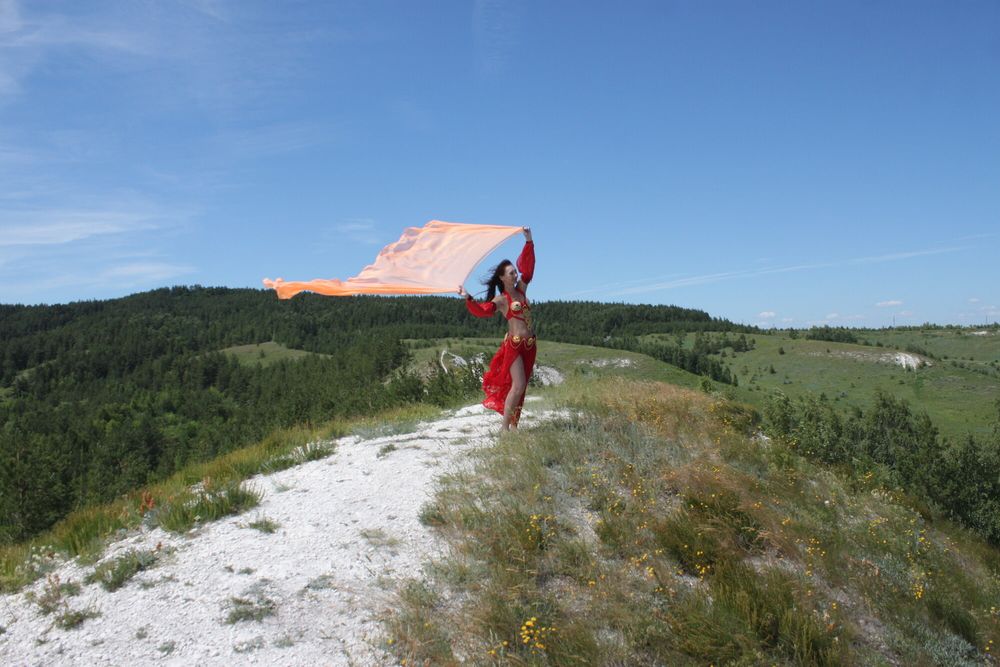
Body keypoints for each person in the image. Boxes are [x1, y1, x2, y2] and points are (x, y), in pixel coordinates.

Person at [458, 227, 535, 430]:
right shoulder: (501, 300)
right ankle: (504, 429)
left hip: (530, 345)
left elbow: (528, 268)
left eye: (515, 272)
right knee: (517, 385)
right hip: (515, 346)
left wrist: (528, 241)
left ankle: (514, 425)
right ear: (502, 277)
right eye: (511, 273)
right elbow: (483, 311)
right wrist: (468, 298)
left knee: (521, 388)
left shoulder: (521, 290)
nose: (516, 274)